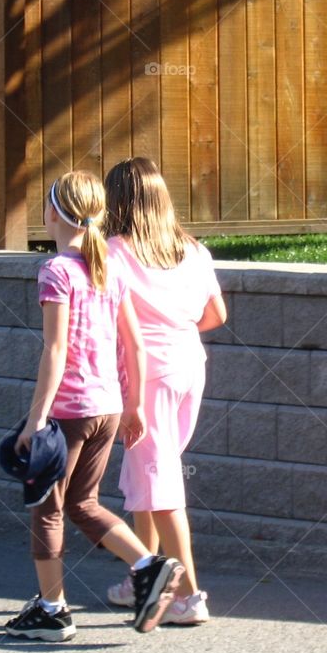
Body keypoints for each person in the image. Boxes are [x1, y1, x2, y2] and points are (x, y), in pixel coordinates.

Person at [4, 170, 185, 642]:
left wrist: (37, 420)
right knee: (83, 503)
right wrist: (134, 406)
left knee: (48, 505)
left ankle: (52, 609)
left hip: (69, 411)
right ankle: (149, 563)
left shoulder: (57, 270)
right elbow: (135, 345)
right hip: (106, 408)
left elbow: (55, 351)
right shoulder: (111, 268)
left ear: (51, 214)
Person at [102, 157, 227, 625]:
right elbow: (216, 315)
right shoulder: (192, 249)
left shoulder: (114, 252)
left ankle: (188, 597)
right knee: (147, 479)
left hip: (144, 378)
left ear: (116, 202)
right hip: (188, 367)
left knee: (162, 485)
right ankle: (142, 581)